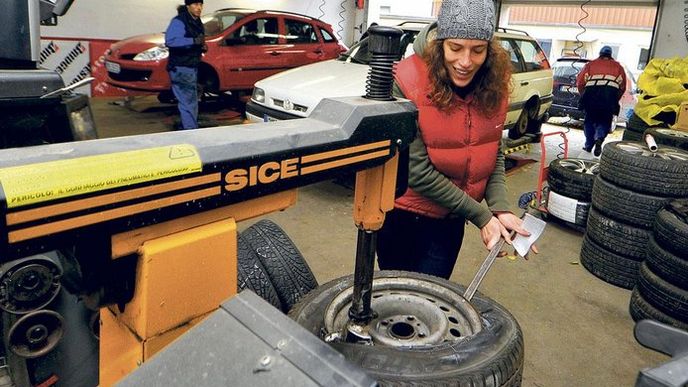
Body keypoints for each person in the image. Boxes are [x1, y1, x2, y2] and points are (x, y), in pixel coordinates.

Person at [375, 0, 536, 280]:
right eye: (456, 48)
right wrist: (482, 216)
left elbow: (493, 151)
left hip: (450, 221)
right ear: (440, 43)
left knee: (435, 297)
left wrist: (499, 209)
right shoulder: (406, 80)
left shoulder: (494, 84)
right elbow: (417, 172)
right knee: (400, 297)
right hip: (403, 217)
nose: (465, 62)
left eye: (478, 50)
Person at [576, 46, 627, 156]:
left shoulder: (590, 65)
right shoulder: (618, 67)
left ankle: (588, 145)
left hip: (591, 96)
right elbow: (622, 87)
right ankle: (599, 138)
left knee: (589, 120)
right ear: (610, 55)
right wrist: (613, 100)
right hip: (609, 98)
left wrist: (584, 96)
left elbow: (580, 83)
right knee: (604, 121)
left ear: (600, 54)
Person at [165, 0, 206, 130]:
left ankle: (190, 128)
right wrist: (193, 41)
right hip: (182, 67)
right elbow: (171, 41)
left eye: (200, 4)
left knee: (189, 101)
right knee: (188, 102)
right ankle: (190, 131)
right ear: (188, 6)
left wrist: (201, 47)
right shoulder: (179, 21)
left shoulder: (197, 21)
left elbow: (196, 41)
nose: (199, 8)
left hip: (190, 67)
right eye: (195, 4)